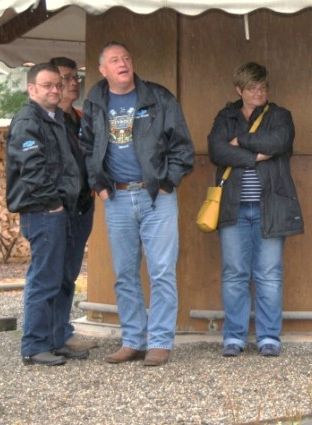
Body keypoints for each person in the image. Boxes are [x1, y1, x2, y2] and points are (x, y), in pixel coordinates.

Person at [80, 41, 195, 366]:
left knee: (162, 272)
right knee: (125, 273)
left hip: (156, 196)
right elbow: (87, 147)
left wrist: (167, 183)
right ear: (103, 70)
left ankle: (159, 342)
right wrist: (99, 186)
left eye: (126, 58)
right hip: (116, 198)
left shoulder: (158, 97)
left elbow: (182, 145)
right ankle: (133, 340)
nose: (123, 63)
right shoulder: (94, 102)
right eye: (115, 60)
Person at [207, 62, 303, 357]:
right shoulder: (226, 116)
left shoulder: (279, 115)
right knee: (234, 274)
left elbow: (279, 141)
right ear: (239, 90)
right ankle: (233, 337)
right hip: (233, 208)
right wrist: (255, 156)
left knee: (269, 275)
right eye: (252, 88)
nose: (259, 93)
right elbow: (217, 150)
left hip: (270, 206)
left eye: (263, 87)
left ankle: (268, 337)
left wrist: (241, 141)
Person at [6, 63, 90, 366]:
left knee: (61, 278)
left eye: (58, 84)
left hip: (64, 210)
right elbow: (32, 169)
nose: (55, 90)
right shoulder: (28, 121)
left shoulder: (57, 119)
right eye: (47, 85)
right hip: (43, 211)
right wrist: (52, 203)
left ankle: (56, 339)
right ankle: (34, 346)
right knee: (44, 278)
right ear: (32, 89)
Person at [48, 56, 97, 351]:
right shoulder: (44, 121)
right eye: (65, 78)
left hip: (83, 206)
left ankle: (62, 332)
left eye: (75, 77)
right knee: (51, 273)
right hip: (56, 209)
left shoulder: (80, 118)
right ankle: (46, 336)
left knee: (69, 273)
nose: (72, 83)